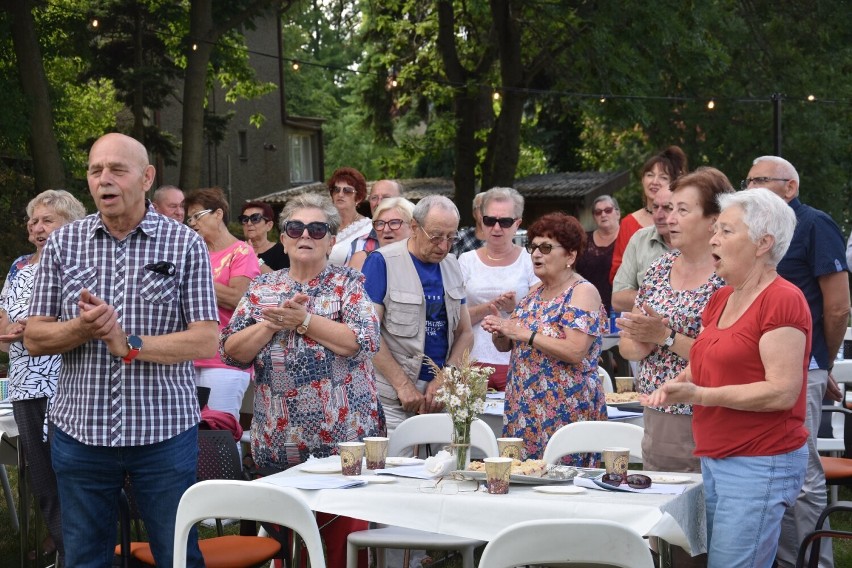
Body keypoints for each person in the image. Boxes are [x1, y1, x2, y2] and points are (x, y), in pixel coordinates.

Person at [25, 133, 218, 567]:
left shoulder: (184, 244)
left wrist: (128, 343)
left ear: (147, 177)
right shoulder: (63, 242)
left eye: (117, 169)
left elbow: (206, 338)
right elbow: (35, 337)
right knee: (85, 558)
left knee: (177, 556)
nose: (104, 180)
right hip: (81, 432)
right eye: (96, 170)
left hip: (163, 432)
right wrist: (81, 327)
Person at [643, 188, 810, 568]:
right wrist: (677, 384)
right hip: (717, 455)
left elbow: (782, 392)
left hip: (760, 459)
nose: (713, 238)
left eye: (726, 232)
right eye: (715, 229)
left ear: (763, 243)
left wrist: (699, 394)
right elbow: (705, 357)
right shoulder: (722, 298)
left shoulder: (783, 298)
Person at [220, 192, 380, 568]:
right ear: (285, 237)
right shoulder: (261, 288)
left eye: (317, 228)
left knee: (341, 545)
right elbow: (231, 351)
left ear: (331, 239)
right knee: (289, 546)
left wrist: (305, 322)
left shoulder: (348, 283)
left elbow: (365, 342)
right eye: (296, 227)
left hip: (343, 441)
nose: (305, 234)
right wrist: (271, 323)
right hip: (280, 440)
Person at [743, 156, 850, 568]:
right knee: (771, 473)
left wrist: (820, 362)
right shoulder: (757, 233)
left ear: (791, 187)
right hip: (758, 370)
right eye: (748, 179)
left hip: (803, 367)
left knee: (802, 477)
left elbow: (839, 307)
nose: (751, 187)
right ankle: (787, 561)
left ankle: (816, 563)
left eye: (761, 180)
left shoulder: (814, 224)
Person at [618, 167, 732, 473]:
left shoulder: (728, 277)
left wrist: (663, 336)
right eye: (670, 209)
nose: (670, 218)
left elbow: (719, 358)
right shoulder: (658, 269)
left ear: (713, 220)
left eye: (682, 210)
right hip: (659, 411)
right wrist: (642, 337)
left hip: (711, 410)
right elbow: (627, 348)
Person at [0, 190, 86, 565]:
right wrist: (14, 329)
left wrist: (36, 330)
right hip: (24, 382)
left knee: (73, 470)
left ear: (71, 224)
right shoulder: (19, 265)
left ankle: (86, 550)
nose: (37, 227)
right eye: (33, 221)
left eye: (47, 220)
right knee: (40, 474)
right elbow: (3, 318)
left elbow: (80, 319)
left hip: (68, 381)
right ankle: (67, 549)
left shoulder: (78, 263)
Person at [481, 212, 607, 463]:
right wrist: (501, 331)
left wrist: (522, 333)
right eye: (533, 247)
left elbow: (575, 351)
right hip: (524, 410)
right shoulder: (535, 292)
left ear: (570, 256)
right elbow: (509, 344)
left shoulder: (581, 292)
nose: (536, 254)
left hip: (565, 410)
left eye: (546, 247)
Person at [361, 195, 474, 433]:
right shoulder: (382, 262)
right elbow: (368, 334)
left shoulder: (452, 264)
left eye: (451, 237)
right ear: (414, 227)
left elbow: (465, 333)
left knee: (444, 468)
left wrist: (446, 378)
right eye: (435, 236)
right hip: (392, 397)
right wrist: (403, 386)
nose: (443, 246)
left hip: (440, 393)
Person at [185, 188, 260, 420]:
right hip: (189, 356)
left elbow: (238, 298)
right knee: (190, 435)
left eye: (197, 215)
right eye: (189, 219)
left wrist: (196, 278)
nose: (192, 223)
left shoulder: (242, 252)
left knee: (220, 432)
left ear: (218, 214)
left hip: (224, 361)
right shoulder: (193, 254)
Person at [458, 187, 538, 391]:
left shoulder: (530, 261)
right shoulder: (466, 261)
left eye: (504, 222)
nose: (496, 227)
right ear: (481, 221)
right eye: (489, 220)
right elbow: (453, 317)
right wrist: (490, 308)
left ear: (517, 223)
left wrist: (514, 309)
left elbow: (539, 317)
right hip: (471, 359)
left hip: (517, 360)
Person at [609, 146, 687, 283]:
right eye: (649, 175)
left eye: (663, 177)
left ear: (674, 182)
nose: (654, 182)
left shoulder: (685, 222)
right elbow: (617, 276)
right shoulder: (629, 223)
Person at [611, 185, 674, 313]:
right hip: (646, 330)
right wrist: (667, 300)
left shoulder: (702, 241)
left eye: (667, 208)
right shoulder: (640, 238)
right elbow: (618, 299)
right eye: (655, 207)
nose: (658, 215)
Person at [576, 195, 620, 314]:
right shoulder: (583, 240)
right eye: (598, 212)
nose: (603, 215)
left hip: (618, 308)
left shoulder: (629, 238)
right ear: (594, 217)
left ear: (618, 213)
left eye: (608, 210)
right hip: (586, 305)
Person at [348, 196, 415, 272]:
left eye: (394, 223)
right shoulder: (362, 261)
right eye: (380, 223)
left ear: (413, 227)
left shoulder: (423, 261)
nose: (386, 230)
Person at [327, 167, 373, 266]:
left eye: (347, 191)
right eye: (336, 190)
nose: (340, 194)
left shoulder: (369, 229)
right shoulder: (324, 225)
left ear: (359, 197)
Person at [351, 179, 405, 255]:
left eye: (386, 198)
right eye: (374, 198)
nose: (379, 203)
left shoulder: (416, 240)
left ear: (402, 201)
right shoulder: (358, 244)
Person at [239, 200, 290, 272]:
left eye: (255, 218)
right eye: (245, 219)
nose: (249, 223)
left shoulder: (282, 251)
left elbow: (282, 281)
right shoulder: (236, 251)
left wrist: (254, 260)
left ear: (269, 225)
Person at [451, 191, 486, 256]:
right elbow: (451, 264)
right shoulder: (461, 238)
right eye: (481, 207)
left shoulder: (506, 239)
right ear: (474, 213)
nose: (485, 211)